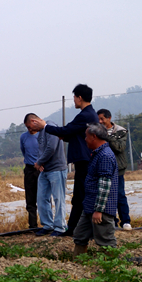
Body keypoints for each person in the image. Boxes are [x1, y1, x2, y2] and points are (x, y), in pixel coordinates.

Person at [29, 84, 98, 237]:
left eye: (74, 97)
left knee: (81, 196)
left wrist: (45, 126)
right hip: (84, 159)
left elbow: (66, 130)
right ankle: (74, 228)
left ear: (79, 98)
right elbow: (72, 134)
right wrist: (65, 136)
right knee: (80, 196)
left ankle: (78, 229)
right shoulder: (89, 115)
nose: (73, 100)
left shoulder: (85, 116)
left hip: (84, 160)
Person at [74, 124, 119, 254]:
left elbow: (104, 185)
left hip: (100, 209)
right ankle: (77, 266)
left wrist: (99, 210)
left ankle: (111, 268)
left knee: (106, 241)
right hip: (90, 206)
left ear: (94, 137)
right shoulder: (98, 154)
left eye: (86, 137)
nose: (85, 139)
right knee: (79, 236)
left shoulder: (105, 155)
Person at [30, 116, 68, 236]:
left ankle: (60, 227)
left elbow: (51, 147)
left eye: (29, 126)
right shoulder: (40, 133)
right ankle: (48, 225)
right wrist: (39, 162)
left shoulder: (51, 127)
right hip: (45, 170)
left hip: (56, 169)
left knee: (58, 198)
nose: (30, 130)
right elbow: (41, 150)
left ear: (34, 121)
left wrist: (40, 162)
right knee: (41, 198)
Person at [97, 109, 131, 230]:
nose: (100, 121)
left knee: (120, 195)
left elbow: (120, 147)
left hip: (118, 167)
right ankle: (113, 222)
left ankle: (125, 221)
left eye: (102, 119)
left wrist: (107, 136)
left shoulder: (120, 131)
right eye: (99, 119)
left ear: (109, 118)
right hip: (103, 168)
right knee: (106, 196)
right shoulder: (97, 131)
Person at [20, 115, 40, 229]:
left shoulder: (42, 136)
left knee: (43, 197)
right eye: (27, 127)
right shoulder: (24, 137)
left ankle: (47, 224)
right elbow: (24, 151)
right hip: (29, 169)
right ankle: (33, 225)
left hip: (41, 169)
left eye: (30, 127)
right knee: (30, 198)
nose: (30, 129)